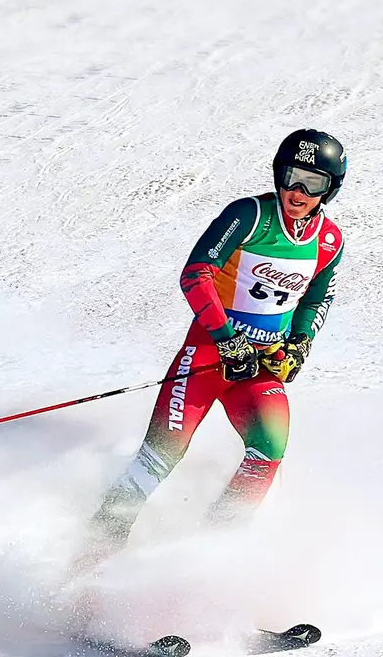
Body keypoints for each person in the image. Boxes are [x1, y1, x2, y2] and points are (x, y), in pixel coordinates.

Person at [82, 131, 346, 562]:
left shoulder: (330, 240)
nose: (298, 192)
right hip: (207, 358)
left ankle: (206, 565)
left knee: (269, 451)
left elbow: (317, 298)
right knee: (159, 458)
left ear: (329, 189)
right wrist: (226, 340)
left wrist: (300, 343)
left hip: (257, 369)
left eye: (312, 183)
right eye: (292, 177)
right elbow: (196, 274)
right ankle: (85, 565)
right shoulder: (250, 215)